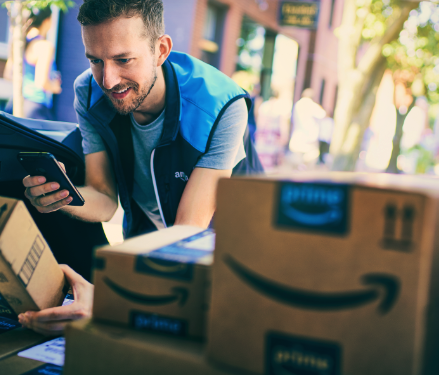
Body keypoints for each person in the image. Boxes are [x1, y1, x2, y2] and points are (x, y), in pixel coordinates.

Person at [17, 0, 262, 335]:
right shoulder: (88, 92)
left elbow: (186, 233)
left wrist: (106, 301)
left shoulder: (222, 107)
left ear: (160, 50)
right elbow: (104, 200)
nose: (108, 79)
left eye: (123, 59)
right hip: (151, 246)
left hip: (230, 261)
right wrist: (64, 197)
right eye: (95, 61)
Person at [3, 7, 62, 120]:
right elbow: (41, 82)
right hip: (35, 108)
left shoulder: (19, 43)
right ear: (47, 21)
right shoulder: (44, 46)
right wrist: (55, 86)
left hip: (15, 104)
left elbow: (8, 75)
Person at [254, 87, 291, 171]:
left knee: (263, 157)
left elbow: (259, 121)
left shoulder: (264, 105)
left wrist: (258, 133)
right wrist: (284, 134)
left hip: (264, 134)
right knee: (274, 159)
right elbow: (283, 122)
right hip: (274, 135)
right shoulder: (280, 106)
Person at [289, 88, 324, 168]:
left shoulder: (297, 104)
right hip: (310, 136)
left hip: (298, 134)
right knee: (310, 158)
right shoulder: (312, 105)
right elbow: (322, 114)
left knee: (297, 158)